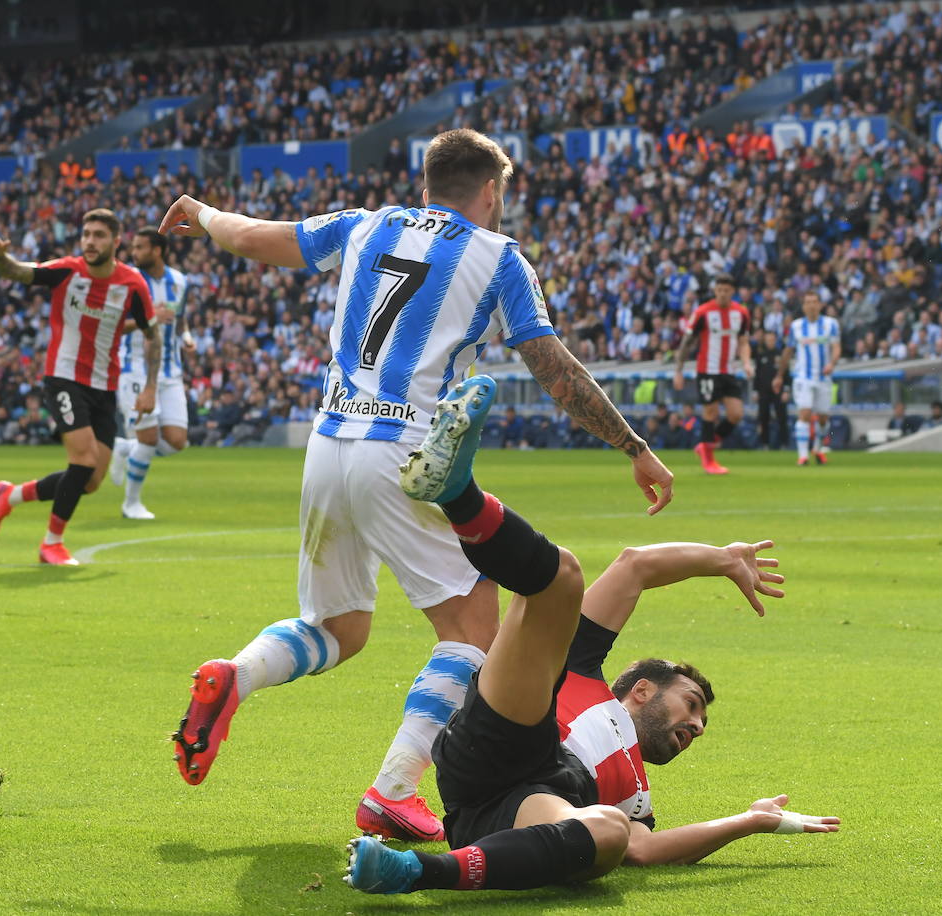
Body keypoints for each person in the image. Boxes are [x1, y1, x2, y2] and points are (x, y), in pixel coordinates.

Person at [157, 128, 674, 843]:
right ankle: (394, 789)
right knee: (474, 630)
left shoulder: (365, 225)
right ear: (490, 191)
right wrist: (633, 444)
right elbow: (555, 370)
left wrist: (200, 211)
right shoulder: (498, 258)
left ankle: (234, 675)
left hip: (329, 446)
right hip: (405, 452)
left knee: (338, 628)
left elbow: (248, 237)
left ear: (426, 183)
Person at [344, 388, 838, 895]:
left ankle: (414, 873)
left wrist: (750, 820)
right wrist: (722, 558)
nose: (697, 725)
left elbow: (644, 850)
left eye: (701, 722)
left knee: (609, 832)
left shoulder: (638, 799)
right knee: (562, 576)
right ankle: (456, 493)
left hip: (519, 808)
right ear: (642, 689)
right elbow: (635, 566)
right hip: (506, 733)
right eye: (691, 705)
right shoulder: (585, 670)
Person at [0, 208, 161, 566]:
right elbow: (18, 271)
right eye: (86, 234)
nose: (90, 241)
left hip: (104, 386)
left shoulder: (133, 284)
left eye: (99, 235)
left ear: (116, 241)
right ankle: (52, 543)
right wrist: (1, 256)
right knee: (83, 459)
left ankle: (10, 495)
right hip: (63, 377)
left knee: (91, 480)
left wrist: (150, 387)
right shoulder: (67, 270)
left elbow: (151, 335)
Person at [109, 228, 194, 519]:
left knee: (176, 441)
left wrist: (186, 336)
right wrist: (149, 319)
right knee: (147, 440)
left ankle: (123, 449)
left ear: (157, 250)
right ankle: (131, 504)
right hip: (134, 368)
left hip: (170, 370)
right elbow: (114, 325)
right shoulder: (126, 280)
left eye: (140, 247)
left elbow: (179, 317)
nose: (134, 252)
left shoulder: (180, 281)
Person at [672, 274, 753, 475]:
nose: (723, 294)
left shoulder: (741, 313)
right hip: (707, 370)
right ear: (715, 291)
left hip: (729, 370)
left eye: (727, 290)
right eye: (719, 290)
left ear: (732, 292)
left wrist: (746, 362)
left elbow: (743, 341)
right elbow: (686, 343)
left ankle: (706, 445)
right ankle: (709, 461)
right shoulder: (703, 312)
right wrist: (678, 371)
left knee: (736, 414)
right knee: (711, 412)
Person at [778, 291, 841, 465]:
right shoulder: (796, 326)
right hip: (803, 377)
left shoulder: (831, 324)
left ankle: (818, 448)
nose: (812, 305)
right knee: (804, 413)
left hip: (823, 377)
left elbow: (836, 347)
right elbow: (788, 350)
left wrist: (832, 363)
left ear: (820, 304)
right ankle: (803, 455)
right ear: (804, 306)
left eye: (814, 302)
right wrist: (779, 375)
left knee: (822, 419)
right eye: (808, 302)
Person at [752, 328, 788, 450]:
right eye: (768, 340)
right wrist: (755, 390)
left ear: (775, 340)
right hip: (764, 391)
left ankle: (784, 443)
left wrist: (786, 390)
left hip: (778, 391)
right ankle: (765, 444)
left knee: (782, 417)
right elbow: (757, 374)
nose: (770, 342)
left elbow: (786, 373)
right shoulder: (761, 355)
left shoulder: (781, 354)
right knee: (763, 417)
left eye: (772, 339)